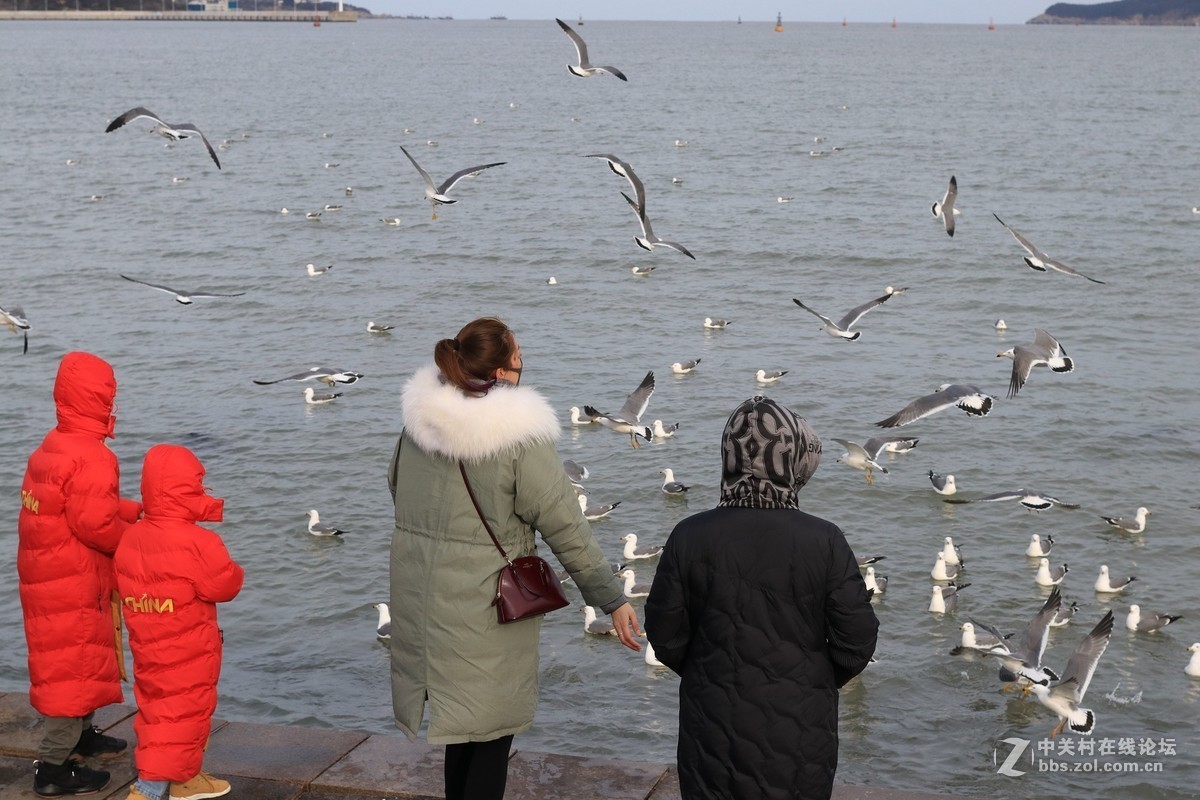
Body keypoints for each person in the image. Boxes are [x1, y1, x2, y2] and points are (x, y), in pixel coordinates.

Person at [388, 316, 642, 800]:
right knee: (490, 733)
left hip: (423, 597)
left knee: (462, 727)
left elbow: (397, 488)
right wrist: (611, 598)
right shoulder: (519, 437)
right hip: (487, 606)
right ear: (502, 373)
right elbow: (565, 525)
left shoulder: (418, 424)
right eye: (519, 358)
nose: (524, 365)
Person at [644, 396, 879, 800]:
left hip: (710, 725)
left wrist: (707, 672)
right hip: (801, 729)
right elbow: (857, 641)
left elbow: (664, 634)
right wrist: (812, 679)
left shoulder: (688, 535)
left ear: (727, 454)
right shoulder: (824, 539)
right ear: (792, 457)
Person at [17, 351, 142, 797]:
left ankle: (82, 736)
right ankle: (52, 769)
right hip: (72, 578)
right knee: (71, 668)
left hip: (47, 573)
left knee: (72, 659)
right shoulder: (93, 456)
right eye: (110, 395)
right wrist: (139, 538)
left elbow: (70, 502)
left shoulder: (55, 443)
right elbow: (97, 525)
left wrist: (134, 509)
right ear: (99, 399)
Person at [114, 444, 244, 800]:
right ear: (189, 489)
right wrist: (237, 571)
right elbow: (224, 585)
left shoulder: (132, 536)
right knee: (184, 713)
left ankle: (186, 779)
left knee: (157, 708)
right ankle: (148, 789)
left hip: (147, 640)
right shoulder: (200, 542)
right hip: (188, 646)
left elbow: (120, 578)